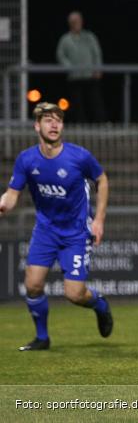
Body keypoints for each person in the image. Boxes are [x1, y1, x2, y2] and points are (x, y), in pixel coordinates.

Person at [0, 102, 112, 350]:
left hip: (76, 233)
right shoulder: (27, 160)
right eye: (48, 120)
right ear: (36, 126)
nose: (54, 124)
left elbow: (102, 180)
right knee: (33, 285)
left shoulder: (78, 156)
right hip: (46, 231)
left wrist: (100, 219)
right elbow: (11, 194)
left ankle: (100, 304)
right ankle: (42, 338)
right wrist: (3, 205)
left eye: (58, 120)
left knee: (74, 294)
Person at [55, 11, 106, 123]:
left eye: (77, 21)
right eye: (73, 22)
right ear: (69, 23)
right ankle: (80, 126)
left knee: (95, 102)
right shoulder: (65, 39)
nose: (75, 24)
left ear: (81, 22)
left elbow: (97, 53)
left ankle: (100, 125)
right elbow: (61, 55)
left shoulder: (89, 37)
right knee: (77, 104)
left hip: (90, 76)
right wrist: (69, 68)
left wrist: (98, 68)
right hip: (74, 77)